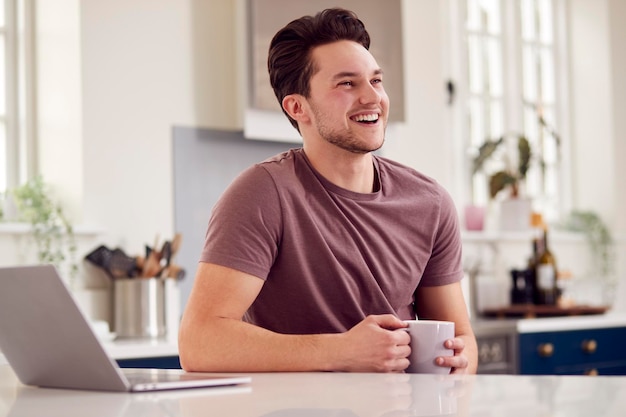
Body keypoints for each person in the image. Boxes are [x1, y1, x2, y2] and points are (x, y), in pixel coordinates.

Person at [178, 7, 477, 374]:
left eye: (376, 81)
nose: (372, 97)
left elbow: (461, 337)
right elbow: (200, 342)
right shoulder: (261, 194)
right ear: (297, 106)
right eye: (347, 84)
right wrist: (344, 352)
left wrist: (460, 362)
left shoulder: (430, 202)